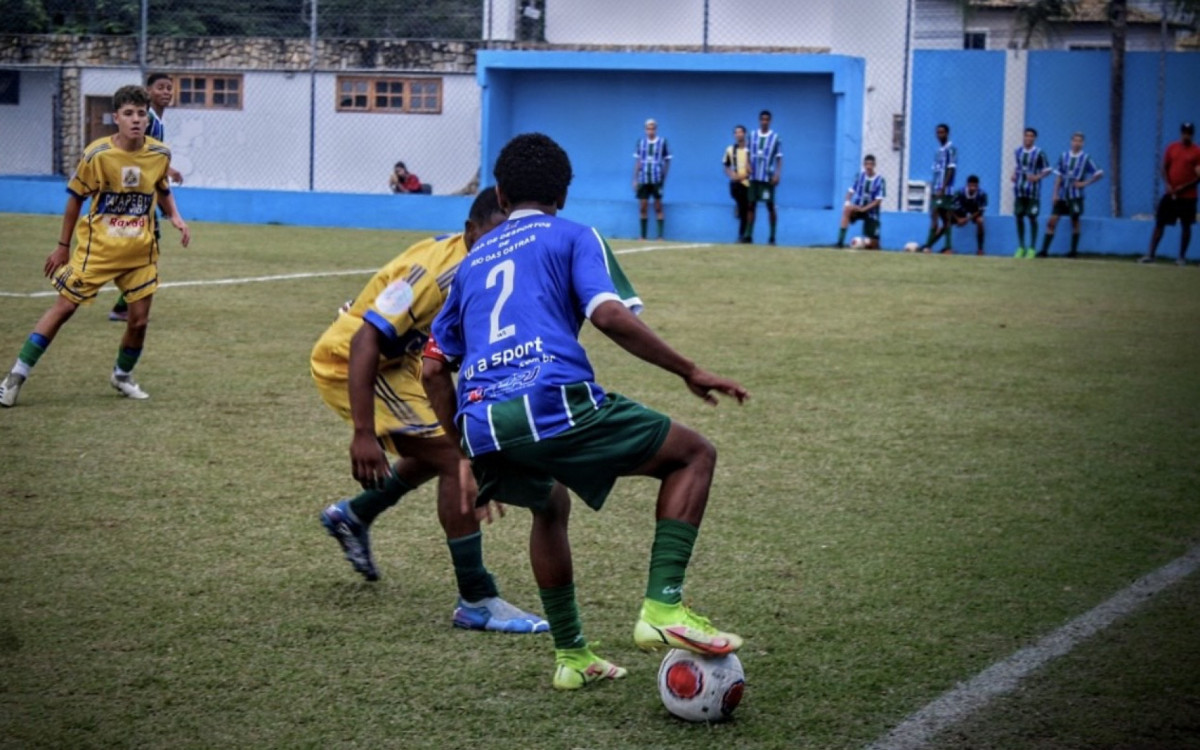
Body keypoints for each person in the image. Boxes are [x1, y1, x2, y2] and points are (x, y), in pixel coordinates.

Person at [427, 133, 749, 691]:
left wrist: (463, 447)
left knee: (549, 506)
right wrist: (689, 370)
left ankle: (573, 656)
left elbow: (433, 368)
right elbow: (608, 315)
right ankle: (663, 608)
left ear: (500, 195)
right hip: (551, 400)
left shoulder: (473, 261)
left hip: (481, 422)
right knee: (694, 454)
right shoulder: (574, 236)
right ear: (564, 195)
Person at [309, 188, 548, 634]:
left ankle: (354, 515)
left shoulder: (486, 267)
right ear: (470, 231)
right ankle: (476, 598)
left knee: (444, 448)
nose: (501, 248)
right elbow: (365, 341)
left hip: (404, 365)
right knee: (456, 461)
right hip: (353, 362)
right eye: (492, 237)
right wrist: (364, 432)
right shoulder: (437, 273)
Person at [0, 85, 190, 408]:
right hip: (97, 251)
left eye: (141, 114)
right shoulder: (97, 155)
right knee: (64, 308)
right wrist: (62, 246)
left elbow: (161, 186)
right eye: (128, 113)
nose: (135, 120)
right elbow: (75, 198)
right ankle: (14, 377)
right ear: (116, 117)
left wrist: (174, 215)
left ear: (147, 119)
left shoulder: (159, 154)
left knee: (139, 320)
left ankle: (122, 375)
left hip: (139, 253)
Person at [109, 72, 184, 322]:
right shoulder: (148, 119)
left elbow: (151, 156)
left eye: (169, 89)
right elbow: (139, 154)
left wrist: (166, 171)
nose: (166, 92)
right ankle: (124, 303)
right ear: (148, 92)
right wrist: (165, 171)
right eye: (161, 88)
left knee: (147, 244)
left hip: (147, 193)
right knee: (139, 246)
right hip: (135, 194)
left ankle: (124, 304)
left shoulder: (157, 122)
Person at [1141, 122, 1200, 266]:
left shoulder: (1196, 152)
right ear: (1181, 133)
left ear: (1192, 134)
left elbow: (1198, 176)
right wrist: (1168, 184)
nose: (1186, 135)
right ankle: (1151, 254)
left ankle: (1181, 257)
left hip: (1188, 196)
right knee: (1160, 222)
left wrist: (1183, 187)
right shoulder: (1172, 148)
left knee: (1186, 225)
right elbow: (1165, 168)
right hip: (1170, 194)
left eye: (1189, 133)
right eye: (1184, 132)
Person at [1037, 132, 1104, 258]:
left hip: (1076, 196)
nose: (1077, 143)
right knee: (1052, 221)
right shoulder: (1064, 156)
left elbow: (1099, 173)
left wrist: (1085, 183)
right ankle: (1044, 251)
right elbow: (1058, 176)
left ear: (1083, 143)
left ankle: (1073, 252)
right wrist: (1055, 194)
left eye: (1079, 141)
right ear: (1071, 142)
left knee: (1075, 221)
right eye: (1074, 140)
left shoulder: (1086, 158)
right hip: (1062, 196)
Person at [1011, 127, 1051, 258]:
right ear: (1023, 137)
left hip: (1033, 192)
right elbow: (1018, 167)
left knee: (1032, 217)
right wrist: (1014, 174)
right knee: (1019, 216)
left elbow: (1048, 169)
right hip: (1019, 190)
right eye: (1026, 135)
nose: (1028, 138)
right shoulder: (1018, 151)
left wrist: (1037, 177)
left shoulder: (1039, 153)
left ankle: (1032, 248)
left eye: (1031, 136)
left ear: (1035, 138)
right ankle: (1021, 246)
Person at [744, 109, 782, 245]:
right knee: (751, 205)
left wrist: (777, 174)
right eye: (762, 119)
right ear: (759, 121)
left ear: (770, 121)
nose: (764, 122)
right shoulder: (752, 135)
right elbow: (747, 152)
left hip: (767, 177)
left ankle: (772, 237)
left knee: (770, 206)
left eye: (767, 119)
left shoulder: (775, 138)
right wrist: (747, 164)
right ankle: (748, 235)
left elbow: (779, 158)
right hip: (754, 176)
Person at [920, 123, 957, 254]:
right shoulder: (938, 151)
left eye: (942, 132)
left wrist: (943, 187)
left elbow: (951, 169)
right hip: (936, 189)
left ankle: (946, 247)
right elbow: (936, 172)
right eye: (938, 132)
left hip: (945, 190)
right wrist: (934, 189)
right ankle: (928, 246)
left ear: (947, 133)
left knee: (945, 217)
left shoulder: (951, 149)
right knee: (934, 215)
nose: (939, 135)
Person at [835, 154, 886, 249]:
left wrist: (863, 209)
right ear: (864, 165)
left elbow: (878, 201)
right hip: (858, 208)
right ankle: (840, 242)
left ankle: (866, 243)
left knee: (874, 245)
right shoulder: (859, 177)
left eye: (871, 164)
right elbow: (850, 192)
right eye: (866, 164)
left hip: (871, 212)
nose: (869, 167)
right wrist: (847, 203)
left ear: (874, 165)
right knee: (846, 210)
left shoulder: (880, 180)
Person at [632, 119, 670, 240]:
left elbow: (667, 160)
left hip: (656, 178)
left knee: (658, 206)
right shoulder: (641, 143)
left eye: (653, 128)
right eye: (648, 128)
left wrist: (663, 175)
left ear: (656, 129)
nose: (651, 130)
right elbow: (638, 162)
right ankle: (643, 236)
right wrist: (635, 179)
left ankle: (660, 236)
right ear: (645, 130)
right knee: (643, 206)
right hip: (643, 179)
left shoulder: (662, 142)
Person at [722, 125, 750, 241]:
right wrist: (732, 175)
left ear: (745, 134)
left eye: (741, 132)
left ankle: (743, 235)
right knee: (743, 207)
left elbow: (752, 167)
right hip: (736, 184)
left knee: (746, 210)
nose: (738, 134)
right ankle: (738, 206)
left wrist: (744, 176)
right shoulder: (730, 149)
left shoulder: (750, 149)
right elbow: (726, 166)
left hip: (748, 183)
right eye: (736, 133)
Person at [952, 175, 988, 255]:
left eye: (975, 186)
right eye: (971, 185)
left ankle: (980, 249)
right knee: (946, 222)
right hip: (959, 213)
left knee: (980, 221)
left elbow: (981, 210)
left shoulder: (982, 194)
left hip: (973, 214)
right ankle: (947, 247)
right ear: (967, 185)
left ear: (978, 186)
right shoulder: (959, 193)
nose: (973, 188)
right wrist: (958, 219)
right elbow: (951, 207)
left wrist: (967, 219)